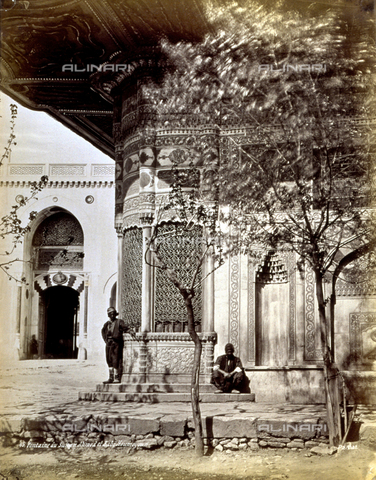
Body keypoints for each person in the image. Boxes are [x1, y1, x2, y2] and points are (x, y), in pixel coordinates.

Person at [101, 307, 135, 384]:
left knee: (115, 359)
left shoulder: (119, 322)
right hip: (109, 343)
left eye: (113, 314)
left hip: (116, 343)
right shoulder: (106, 324)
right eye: (110, 314)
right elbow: (103, 332)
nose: (112, 315)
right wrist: (106, 340)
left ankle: (117, 377)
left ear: (115, 314)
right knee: (109, 359)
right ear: (108, 315)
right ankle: (111, 377)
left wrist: (130, 331)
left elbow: (125, 328)